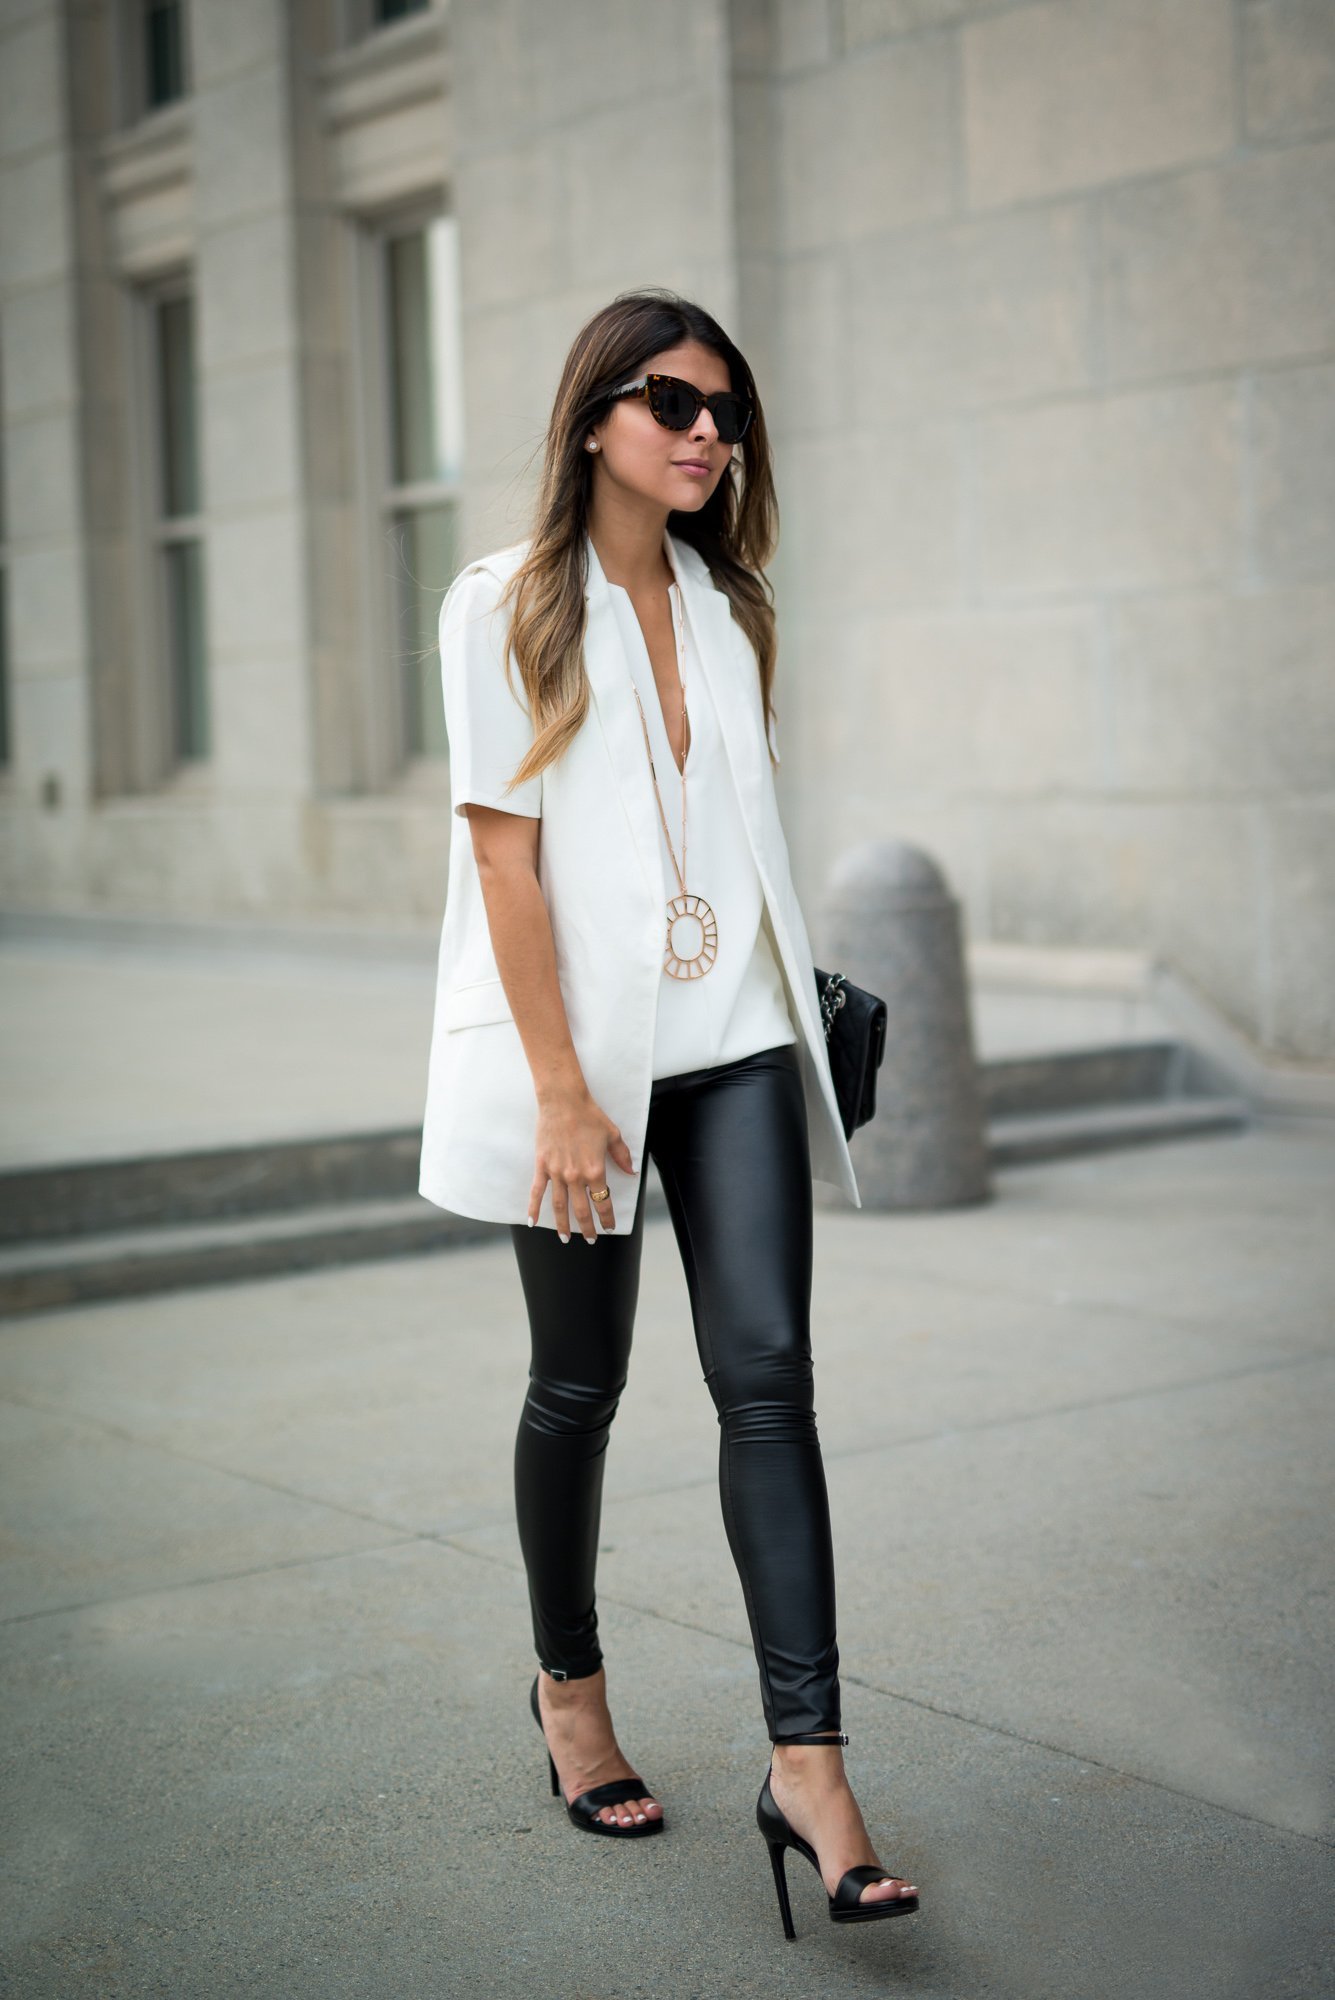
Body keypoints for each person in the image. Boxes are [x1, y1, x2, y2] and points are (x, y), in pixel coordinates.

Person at [418, 288, 919, 1936]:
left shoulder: (729, 603)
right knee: (581, 1383)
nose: (709, 433)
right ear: (594, 420)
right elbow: (505, 863)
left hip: (737, 1042)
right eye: (674, 403)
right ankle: (569, 1692)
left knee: (769, 1381)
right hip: (583, 1064)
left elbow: (726, 841)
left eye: (729, 412)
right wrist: (564, 1094)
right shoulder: (503, 604)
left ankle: (811, 1772)